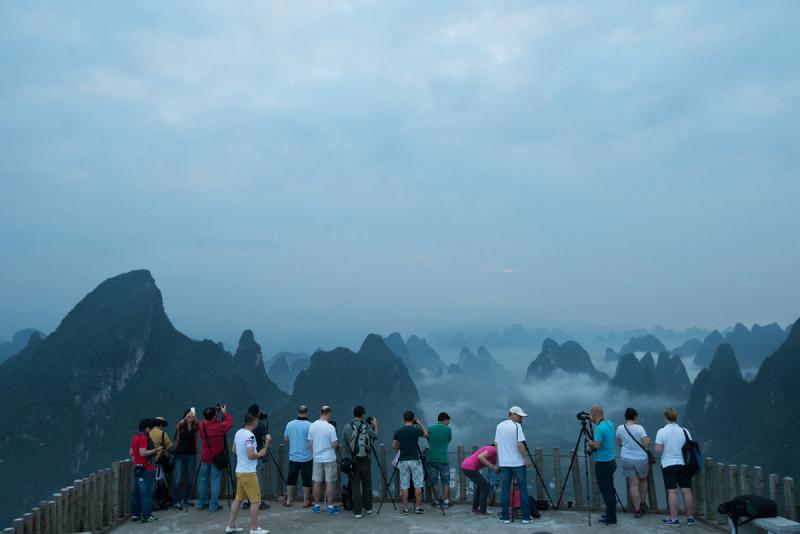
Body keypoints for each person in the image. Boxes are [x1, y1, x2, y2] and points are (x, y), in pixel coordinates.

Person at [225, 412, 269, 534]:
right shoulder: (250, 436)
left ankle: (231, 525)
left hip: (239, 471)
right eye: (256, 421)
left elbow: (234, 450)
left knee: (238, 498)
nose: (258, 423)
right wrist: (260, 454)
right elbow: (251, 455)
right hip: (249, 473)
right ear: (252, 422)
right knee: (255, 501)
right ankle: (254, 528)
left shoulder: (238, 432)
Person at [655, 407, 696, 527]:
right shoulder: (684, 431)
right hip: (683, 464)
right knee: (687, 491)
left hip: (668, 464)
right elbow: (690, 445)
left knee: (672, 492)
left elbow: (658, 449)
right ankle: (690, 518)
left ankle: (674, 519)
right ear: (676, 417)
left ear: (665, 417)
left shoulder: (661, 431)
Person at [494, 406, 532, 525]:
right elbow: (519, 444)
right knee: (523, 489)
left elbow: (496, 443)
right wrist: (526, 459)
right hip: (518, 463)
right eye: (519, 416)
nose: (521, 418)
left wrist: (501, 458)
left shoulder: (499, 426)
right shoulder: (517, 426)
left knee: (505, 489)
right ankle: (526, 517)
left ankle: (505, 517)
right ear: (512, 414)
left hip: (504, 463)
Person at [342, 405, 378, 518]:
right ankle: (368, 508)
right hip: (366, 460)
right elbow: (375, 436)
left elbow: (344, 445)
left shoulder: (347, 427)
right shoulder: (366, 427)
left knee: (355, 485)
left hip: (353, 461)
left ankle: (357, 512)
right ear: (363, 415)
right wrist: (375, 425)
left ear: (353, 414)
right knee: (367, 484)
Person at [197, 404, 234, 512]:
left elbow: (199, 425)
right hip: (216, 457)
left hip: (205, 457)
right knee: (214, 480)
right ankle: (213, 505)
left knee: (203, 480)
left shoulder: (201, 425)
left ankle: (201, 503)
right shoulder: (219, 426)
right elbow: (230, 423)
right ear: (214, 416)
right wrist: (224, 413)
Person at [616, 407, 650, 518]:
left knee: (633, 485)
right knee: (643, 480)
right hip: (640, 459)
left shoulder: (620, 428)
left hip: (626, 459)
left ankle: (637, 509)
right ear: (635, 416)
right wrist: (647, 439)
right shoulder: (639, 428)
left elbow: (619, 444)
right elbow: (645, 444)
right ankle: (643, 503)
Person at [392, 410, 428, 515]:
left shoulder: (398, 432)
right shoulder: (415, 430)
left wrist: (402, 446)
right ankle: (418, 507)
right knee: (418, 484)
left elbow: (394, 446)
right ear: (412, 419)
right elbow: (426, 434)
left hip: (403, 460)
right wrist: (419, 423)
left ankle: (405, 509)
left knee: (404, 484)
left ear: (404, 419)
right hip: (415, 460)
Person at [588, 404, 617, 526]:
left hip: (602, 463)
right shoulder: (609, 424)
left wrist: (590, 443)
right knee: (610, 490)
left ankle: (611, 518)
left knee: (606, 491)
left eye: (591, 414)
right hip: (611, 461)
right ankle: (611, 514)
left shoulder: (599, 429)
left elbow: (597, 445)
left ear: (594, 414)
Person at [308, 405, 339, 516]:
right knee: (329, 482)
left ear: (320, 412)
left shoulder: (312, 426)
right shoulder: (330, 427)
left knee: (317, 482)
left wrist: (315, 453)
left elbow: (310, 443)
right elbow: (335, 444)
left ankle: (316, 506)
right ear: (328, 413)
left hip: (317, 458)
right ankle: (330, 507)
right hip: (329, 457)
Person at [129, 419, 162, 522]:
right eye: (150, 428)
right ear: (147, 428)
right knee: (146, 493)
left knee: (136, 493)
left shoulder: (135, 436)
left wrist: (136, 460)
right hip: (146, 468)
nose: (150, 430)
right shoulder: (143, 437)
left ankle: (135, 515)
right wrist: (156, 450)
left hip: (137, 468)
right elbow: (143, 452)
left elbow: (131, 452)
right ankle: (147, 515)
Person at [242, 404, 271, 512]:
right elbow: (268, 437)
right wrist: (265, 449)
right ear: (258, 413)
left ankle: (245, 501)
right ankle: (259, 502)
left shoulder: (245, 425)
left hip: (246, 455)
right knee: (258, 478)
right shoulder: (259, 424)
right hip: (257, 455)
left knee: (246, 478)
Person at [283, 405, 313, 508]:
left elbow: (286, 439)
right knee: (306, 480)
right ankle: (305, 501)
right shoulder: (310, 425)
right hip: (307, 457)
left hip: (293, 457)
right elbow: (312, 441)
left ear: (298, 412)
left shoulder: (290, 424)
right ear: (307, 412)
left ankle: (288, 500)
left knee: (291, 479)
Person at [460, 443, 498, 516]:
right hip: (469, 467)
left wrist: (494, 468)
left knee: (480, 486)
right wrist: (493, 467)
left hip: (466, 466)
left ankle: (475, 509)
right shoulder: (492, 449)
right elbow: (480, 457)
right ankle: (482, 511)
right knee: (485, 487)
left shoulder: (494, 454)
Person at [173, 409, 199, 510]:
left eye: (191, 417)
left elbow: (200, 426)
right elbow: (177, 426)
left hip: (191, 454)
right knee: (178, 478)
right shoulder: (181, 426)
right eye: (188, 416)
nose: (190, 418)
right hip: (180, 454)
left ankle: (187, 499)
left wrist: (194, 417)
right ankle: (177, 501)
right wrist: (185, 418)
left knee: (189, 478)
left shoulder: (194, 427)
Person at [426, 412, 452, 507]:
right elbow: (448, 441)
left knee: (434, 480)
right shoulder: (448, 429)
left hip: (431, 457)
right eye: (448, 421)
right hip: (443, 458)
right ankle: (445, 501)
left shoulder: (430, 428)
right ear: (444, 419)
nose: (448, 423)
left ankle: (437, 500)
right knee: (446, 480)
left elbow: (429, 440)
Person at [150, 416, 173, 508]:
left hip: (150, 461)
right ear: (161, 424)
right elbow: (170, 445)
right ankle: (161, 501)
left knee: (152, 481)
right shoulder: (162, 434)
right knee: (160, 480)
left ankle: (157, 500)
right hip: (159, 460)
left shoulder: (149, 433)